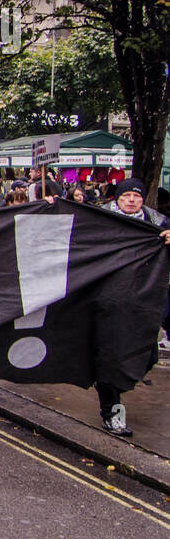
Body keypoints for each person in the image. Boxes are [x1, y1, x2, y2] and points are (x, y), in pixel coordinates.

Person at [98, 178, 170, 436]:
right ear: (117, 198)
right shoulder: (99, 219)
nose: (131, 199)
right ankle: (112, 411)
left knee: (147, 356)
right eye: (126, 194)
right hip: (107, 302)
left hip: (144, 305)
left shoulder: (159, 224)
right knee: (111, 358)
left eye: (136, 196)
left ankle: (119, 379)